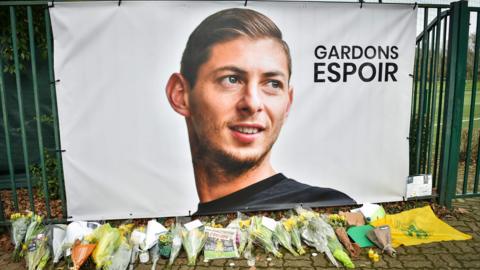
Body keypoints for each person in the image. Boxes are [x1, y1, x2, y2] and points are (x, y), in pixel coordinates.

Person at [166, 8, 355, 215]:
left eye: (273, 84)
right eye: (231, 79)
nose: (253, 103)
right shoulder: (180, 231)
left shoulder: (326, 210)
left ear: (288, 103)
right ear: (180, 94)